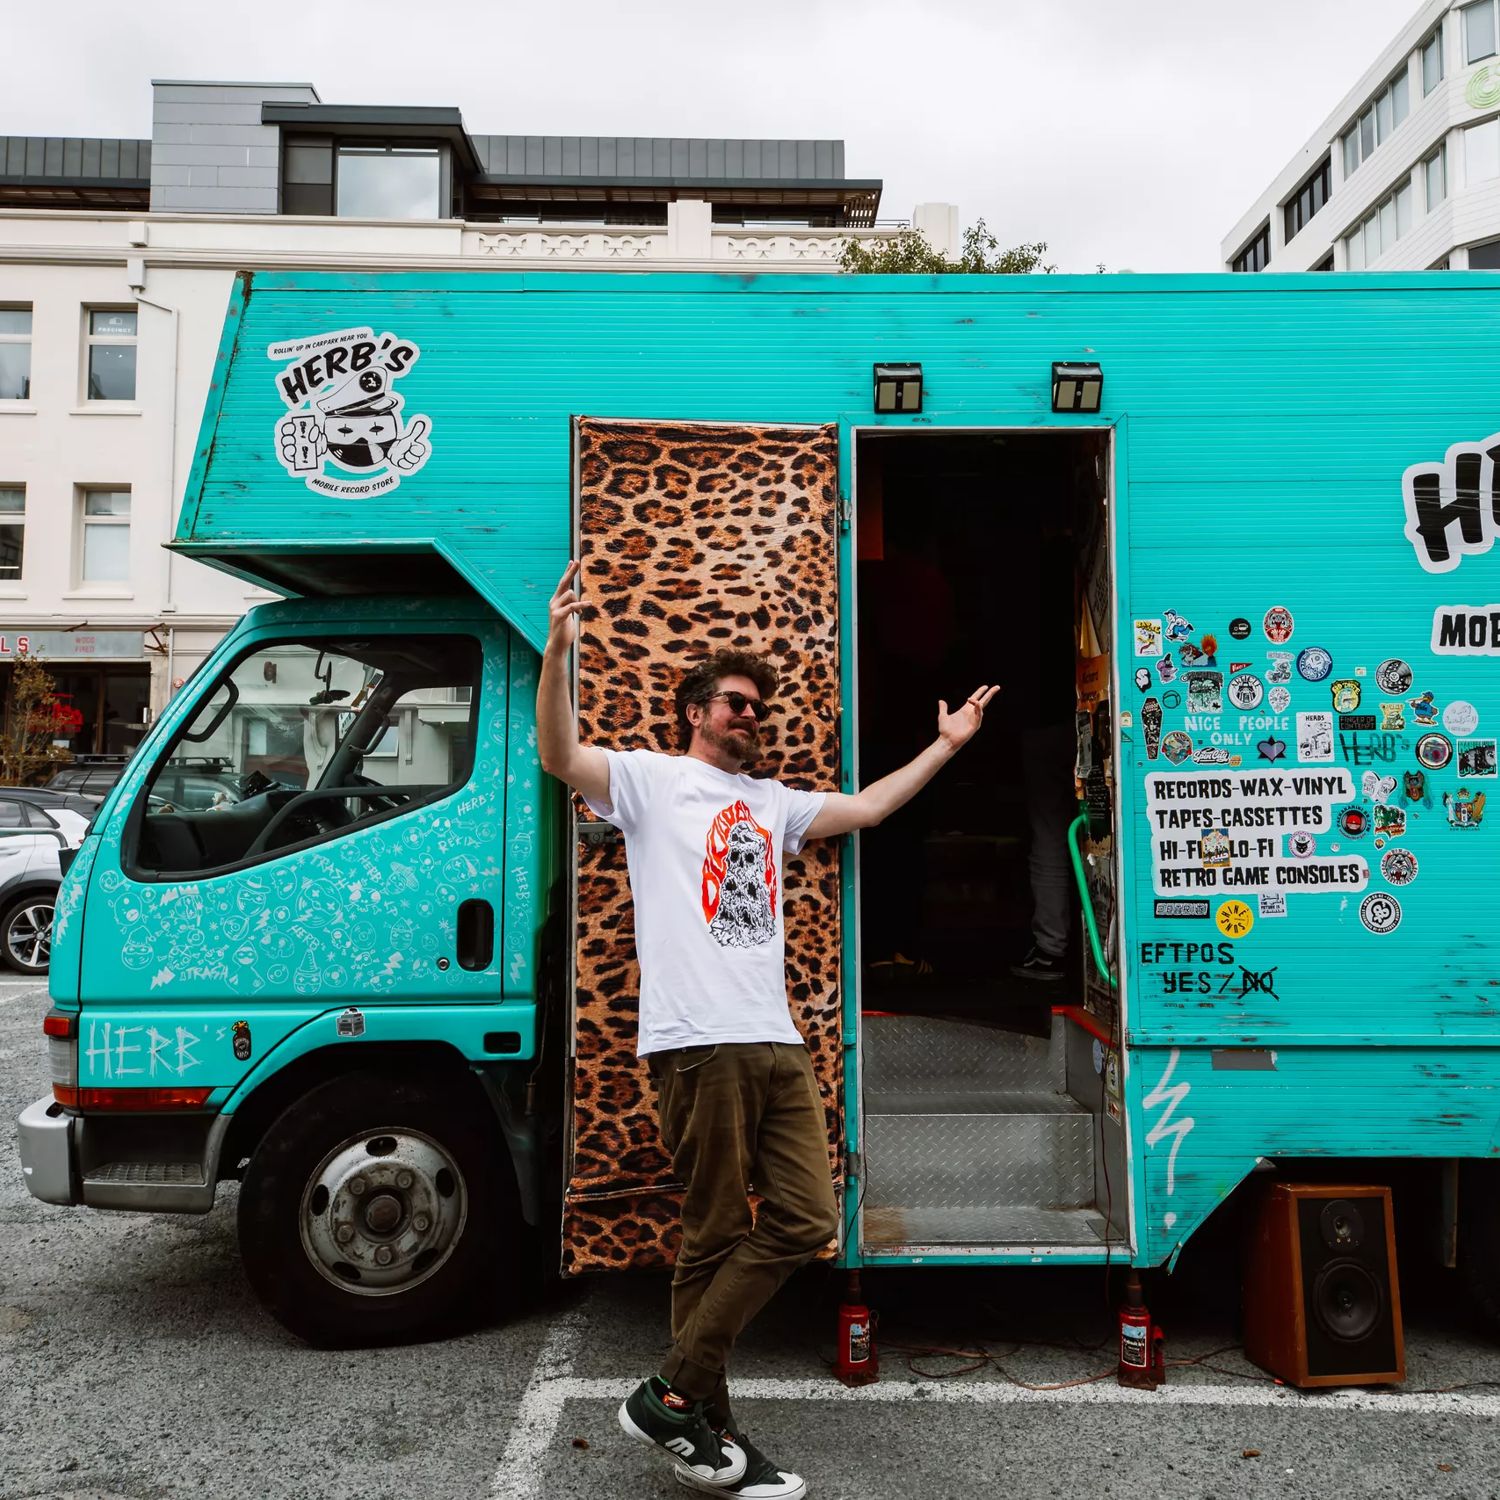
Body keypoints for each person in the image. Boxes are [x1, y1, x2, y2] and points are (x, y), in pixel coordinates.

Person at [537, 560, 997, 1498]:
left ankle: (672, 1395)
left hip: (776, 1039)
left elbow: (866, 808)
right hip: (695, 1040)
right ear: (695, 710)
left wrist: (946, 745)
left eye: (759, 709)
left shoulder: (774, 803)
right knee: (708, 1238)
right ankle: (710, 1430)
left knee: (805, 1219)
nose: (752, 717)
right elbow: (559, 755)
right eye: (736, 704)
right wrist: (558, 654)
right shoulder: (648, 782)